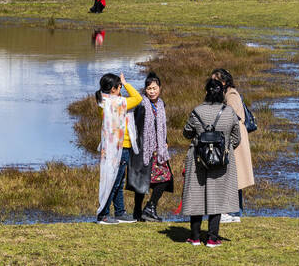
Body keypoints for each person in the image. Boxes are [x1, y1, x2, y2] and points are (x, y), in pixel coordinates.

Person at [181, 78, 241, 247]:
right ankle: (213, 238)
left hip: (198, 159)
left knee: (196, 197)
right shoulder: (229, 112)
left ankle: (195, 237)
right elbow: (237, 138)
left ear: (206, 92)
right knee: (218, 198)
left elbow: (186, 133)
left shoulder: (197, 111)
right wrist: (224, 148)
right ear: (222, 93)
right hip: (221, 161)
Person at [95, 72, 143, 224]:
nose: (121, 88)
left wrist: (120, 84)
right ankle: (103, 214)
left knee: (116, 180)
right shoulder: (118, 102)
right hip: (120, 147)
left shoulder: (104, 101)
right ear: (114, 89)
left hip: (113, 147)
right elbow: (138, 98)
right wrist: (126, 83)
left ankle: (120, 212)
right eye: (119, 86)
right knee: (115, 181)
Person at [126, 72, 173, 222]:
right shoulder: (141, 105)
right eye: (149, 88)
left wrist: (165, 141)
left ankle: (150, 207)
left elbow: (161, 126)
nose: (151, 91)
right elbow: (136, 126)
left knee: (165, 178)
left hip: (158, 149)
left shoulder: (161, 104)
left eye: (154, 88)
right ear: (145, 90)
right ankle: (137, 212)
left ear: (160, 88)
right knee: (141, 180)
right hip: (143, 148)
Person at [211, 68, 254, 222]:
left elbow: (232, 117)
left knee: (234, 177)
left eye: (216, 80)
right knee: (236, 177)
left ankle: (233, 213)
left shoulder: (231, 95)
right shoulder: (228, 94)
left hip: (236, 141)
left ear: (223, 81)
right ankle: (235, 212)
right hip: (235, 139)